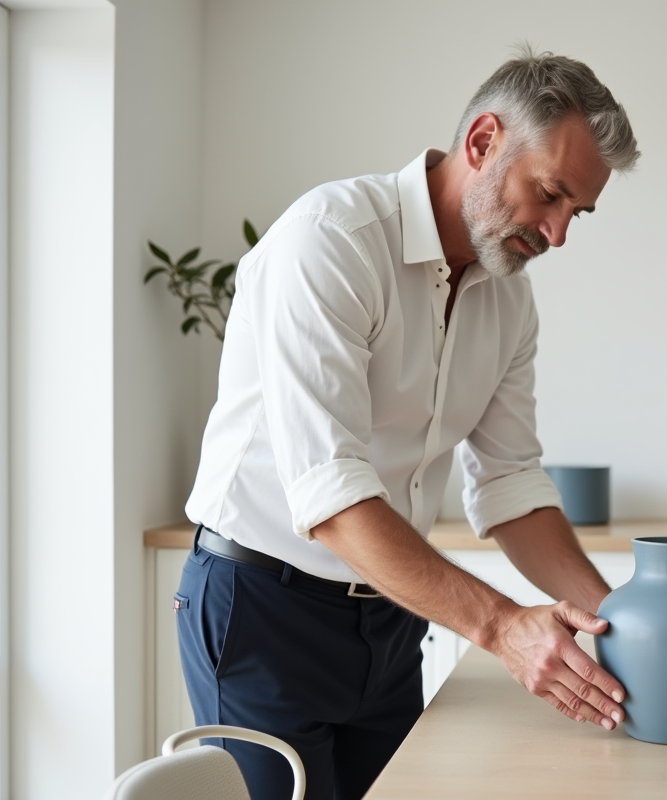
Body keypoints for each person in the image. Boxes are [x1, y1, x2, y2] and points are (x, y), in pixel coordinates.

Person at [175, 46, 640, 800]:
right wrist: (501, 627)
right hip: (261, 608)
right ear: (483, 141)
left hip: (393, 616)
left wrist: (619, 624)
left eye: (575, 213)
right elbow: (331, 497)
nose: (558, 234)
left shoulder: (510, 298)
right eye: (550, 194)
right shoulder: (330, 240)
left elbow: (511, 486)